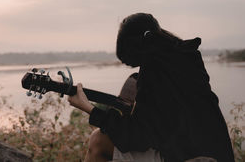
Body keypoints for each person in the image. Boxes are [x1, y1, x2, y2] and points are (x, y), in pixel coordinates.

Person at [68, 13, 234, 162]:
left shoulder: (154, 71)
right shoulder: (187, 57)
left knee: (98, 141)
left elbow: (134, 139)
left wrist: (89, 108)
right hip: (219, 152)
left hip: (191, 156)